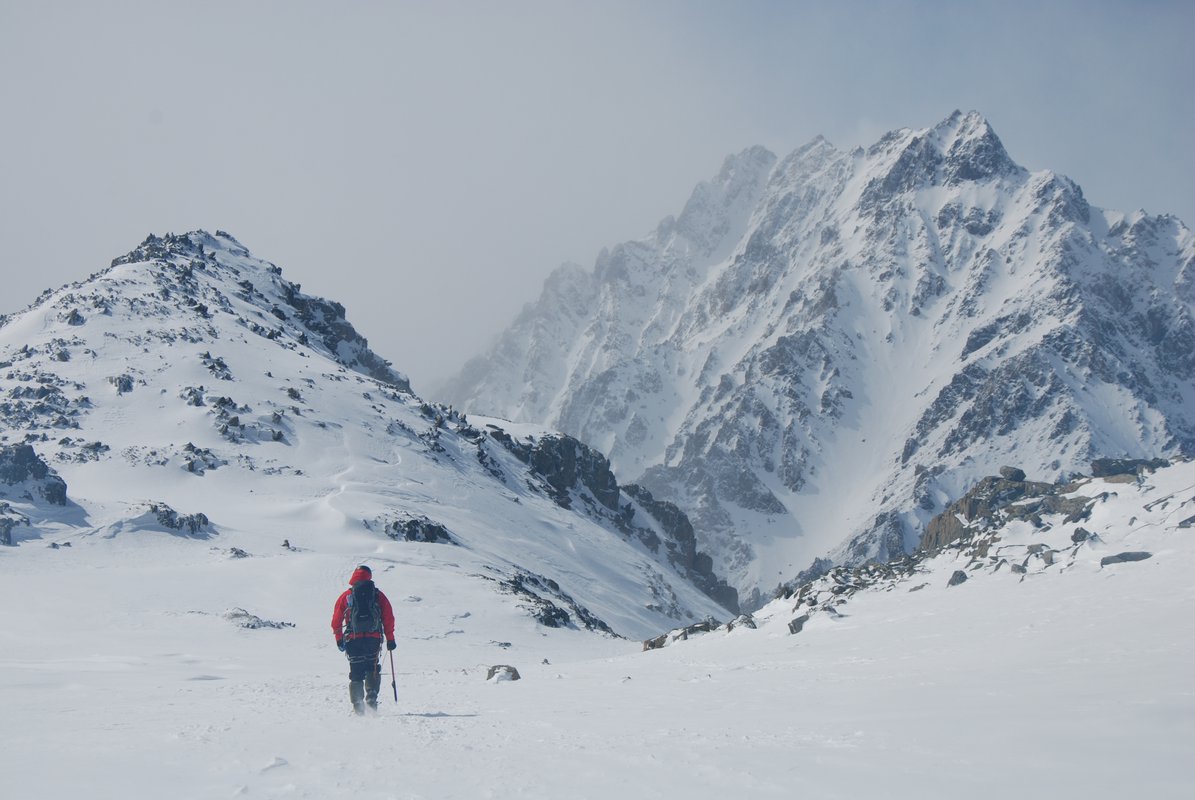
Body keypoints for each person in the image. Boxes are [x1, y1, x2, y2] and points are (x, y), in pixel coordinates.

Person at [330, 565, 396, 714]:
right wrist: (390, 638)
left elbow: (336, 620)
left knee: (356, 671)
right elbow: (388, 617)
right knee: (372, 668)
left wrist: (339, 638)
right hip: (373, 639)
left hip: (353, 639)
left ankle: (358, 706)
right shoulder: (378, 595)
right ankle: (372, 699)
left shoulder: (347, 596)